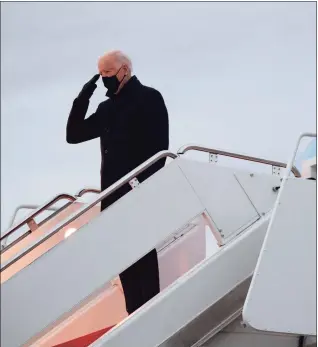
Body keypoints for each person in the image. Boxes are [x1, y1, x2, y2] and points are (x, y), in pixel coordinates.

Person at [66, 50, 169, 314]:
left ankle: (150, 316)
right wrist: (85, 94)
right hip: (111, 197)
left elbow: (160, 149)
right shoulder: (106, 108)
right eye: (100, 75)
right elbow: (74, 134)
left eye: (108, 73)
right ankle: (133, 316)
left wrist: (142, 186)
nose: (104, 79)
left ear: (125, 69)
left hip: (139, 194)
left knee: (143, 259)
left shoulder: (149, 98)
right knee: (123, 262)